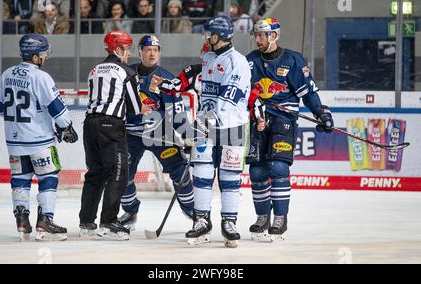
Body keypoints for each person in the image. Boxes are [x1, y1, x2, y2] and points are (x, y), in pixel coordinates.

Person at [246, 18, 334, 241]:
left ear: (274, 36)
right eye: (256, 35)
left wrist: (321, 114)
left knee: (277, 168)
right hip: (258, 120)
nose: (258, 40)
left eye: (262, 35)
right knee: (257, 172)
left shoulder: (293, 60)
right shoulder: (250, 61)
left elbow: (309, 93)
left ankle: (280, 218)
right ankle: (262, 217)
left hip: (283, 120)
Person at [0, 33, 78, 241]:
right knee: (48, 177)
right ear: (34, 56)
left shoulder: (6, 74)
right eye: (43, 53)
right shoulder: (41, 77)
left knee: (20, 180)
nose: (45, 57)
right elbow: (56, 108)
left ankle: (22, 219)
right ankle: (45, 220)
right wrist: (66, 127)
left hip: (14, 141)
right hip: (40, 141)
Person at [185, 16, 251, 248]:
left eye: (208, 34)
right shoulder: (209, 57)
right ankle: (201, 220)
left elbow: (228, 102)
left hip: (231, 125)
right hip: (207, 122)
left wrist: (201, 125)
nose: (205, 38)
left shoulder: (238, 62)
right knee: (201, 171)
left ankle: (229, 222)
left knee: (229, 177)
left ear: (217, 36)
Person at [117, 35, 194, 231]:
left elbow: (176, 110)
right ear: (140, 51)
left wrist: (185, 135)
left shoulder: (167, 77)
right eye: (148, 49)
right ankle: (130, 211)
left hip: (160, 135)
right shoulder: (126, 73)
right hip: (131, 134)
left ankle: (192, 211)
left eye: (156, 50)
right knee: (121, 173)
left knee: (180, 172)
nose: (152, 53)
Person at [78, 31, 148, 240]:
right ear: (118, 49)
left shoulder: (94, 69)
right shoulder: (127, 72)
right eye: (126, 49)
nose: (128, 54)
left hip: (90, 125)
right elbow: (135, 107)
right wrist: (147, 107)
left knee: (95, 174)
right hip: (111, 126)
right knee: (118, 173)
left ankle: (86, 222)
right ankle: (109, 222)